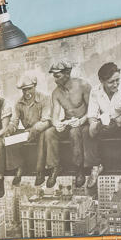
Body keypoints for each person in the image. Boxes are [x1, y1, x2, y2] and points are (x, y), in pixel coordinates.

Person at [41, 57, 91, 187]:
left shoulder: (83, 86)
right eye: (54, 76)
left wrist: (81, 121)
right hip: (68, 122)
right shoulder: (56, 93)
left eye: (57, 76)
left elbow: (92, 110)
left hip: (83, 122)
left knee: (75, 133)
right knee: (49, 133)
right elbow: (55, 115)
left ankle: (79, 169)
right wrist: (57, 123)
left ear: (67, 74)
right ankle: (54, 167)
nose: (55, 79)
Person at [87, 60, 121, 179]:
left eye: (117, 80)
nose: (115, 84)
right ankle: (96, 166)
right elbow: (92, 114)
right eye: (111, 82)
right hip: (105, 124)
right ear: (102, 81)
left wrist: (116, 122)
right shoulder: (95, 91)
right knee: (87, 132)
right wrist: (94, 126)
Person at [7, 74, 47, 188]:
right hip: (27, 131)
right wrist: (9, 129)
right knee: (9, 139)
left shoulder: (44, 99)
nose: (27, 92)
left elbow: (46, 120)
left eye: (29, 89)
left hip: (40, 129)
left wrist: (34, 129)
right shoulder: (19, 103)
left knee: (43, 136)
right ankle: (19, 167)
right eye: (24, 90)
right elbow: (14, 121)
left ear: (35, 86)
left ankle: (40, 171)